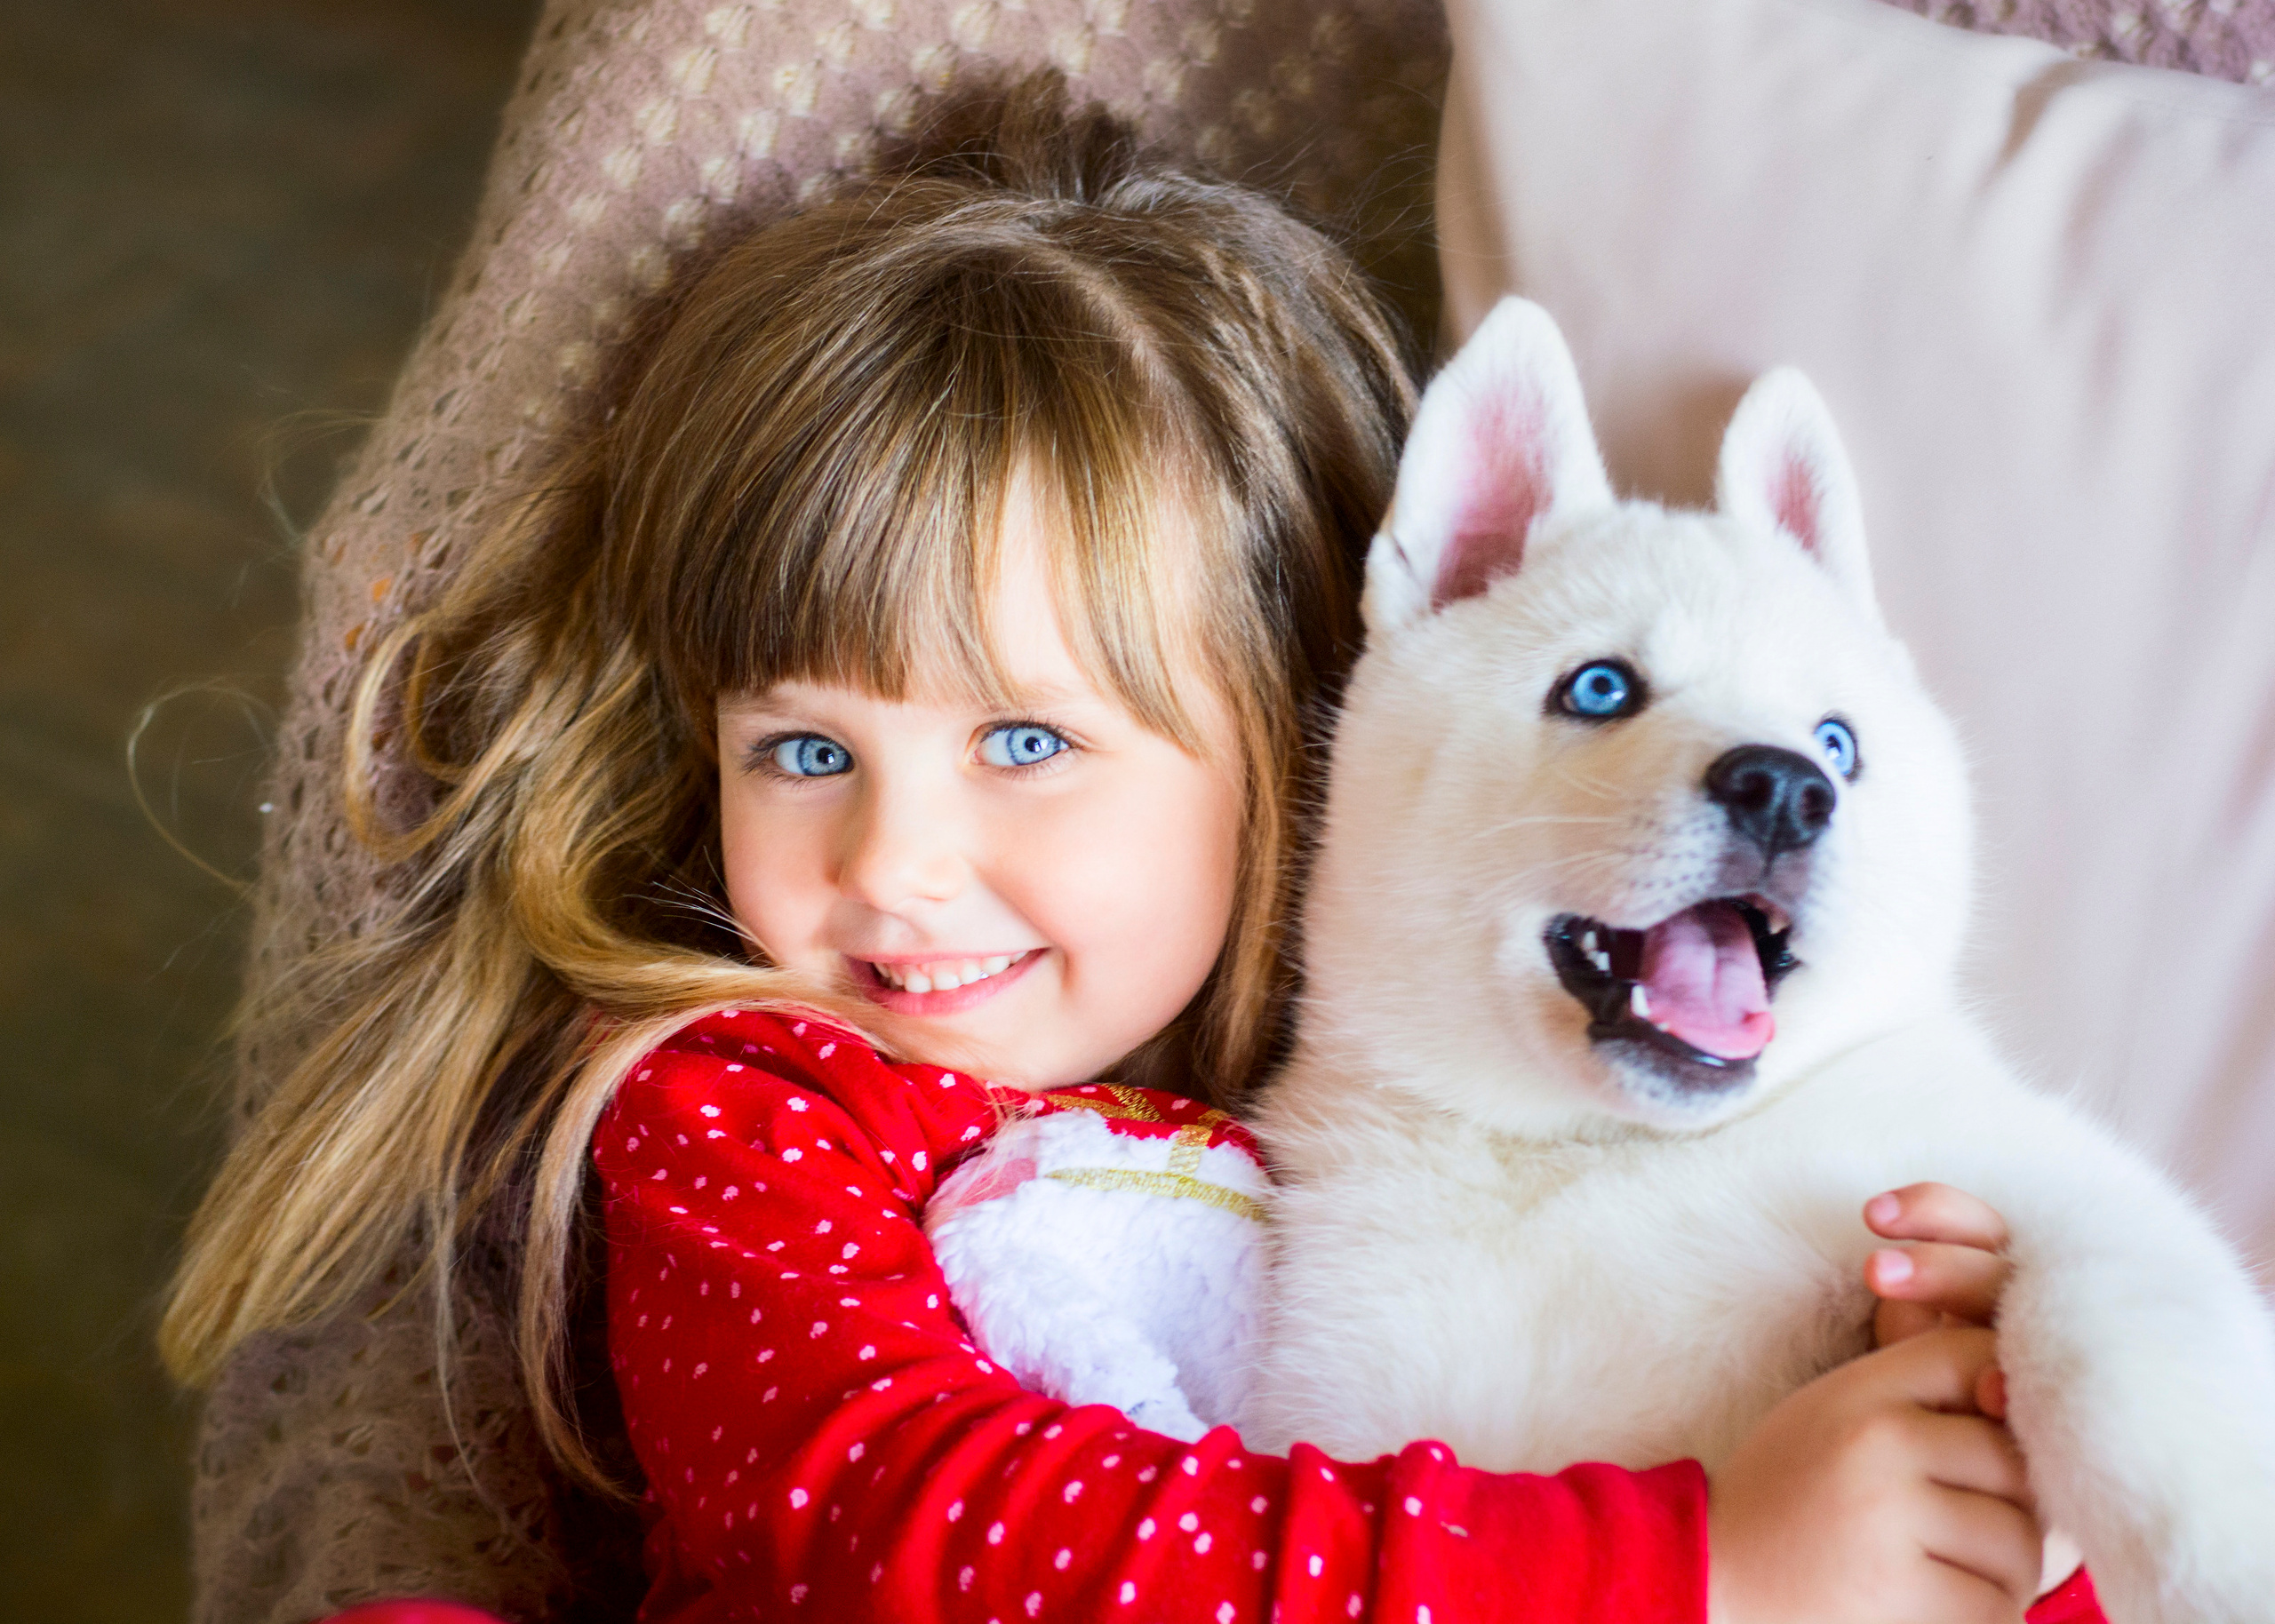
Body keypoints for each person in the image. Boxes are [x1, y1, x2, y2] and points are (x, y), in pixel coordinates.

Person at [164, 76, 2100, 1624]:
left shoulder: (1402, 1123)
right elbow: (932, 1537)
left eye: (1025, 740)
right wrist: (1699, 1563)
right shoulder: (745, 1114)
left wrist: (1957, 1453)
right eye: (805, 743)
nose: (894, 859)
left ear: (1283, 734)